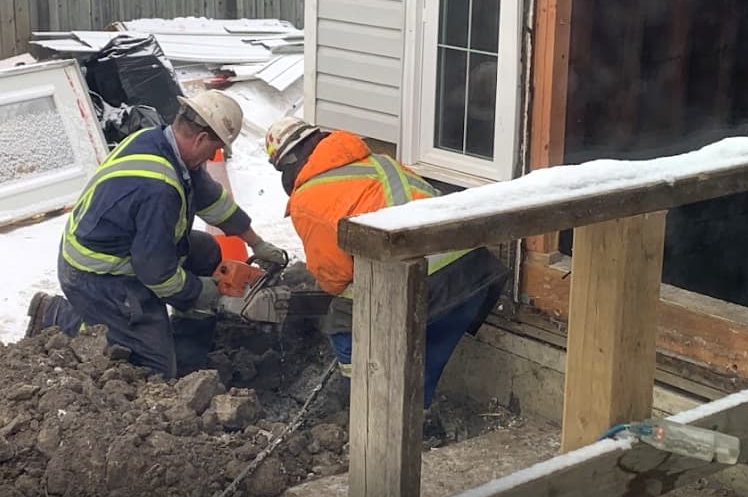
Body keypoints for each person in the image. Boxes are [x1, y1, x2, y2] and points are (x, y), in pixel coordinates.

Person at [26, 90, 286, 378]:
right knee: (155, 369)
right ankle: (60, 316)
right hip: (96, 275)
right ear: (200, 140)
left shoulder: (162, 142)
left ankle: (187, 352)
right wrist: (204, 292)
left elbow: (211, 200)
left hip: (126, 248)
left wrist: (256, 242)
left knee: (206, 251)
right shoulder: (159, 188)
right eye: (214, 149)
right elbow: (156, 274)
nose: (213, 157)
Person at [264, 117, 509, 408]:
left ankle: (363, 404)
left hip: (425, 287)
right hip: (473, 273)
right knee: (419, 374)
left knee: (342, 323)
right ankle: (419, 420)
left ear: (288, 163)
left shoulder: (307, 198)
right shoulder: (379, 162)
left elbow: (335, 277)